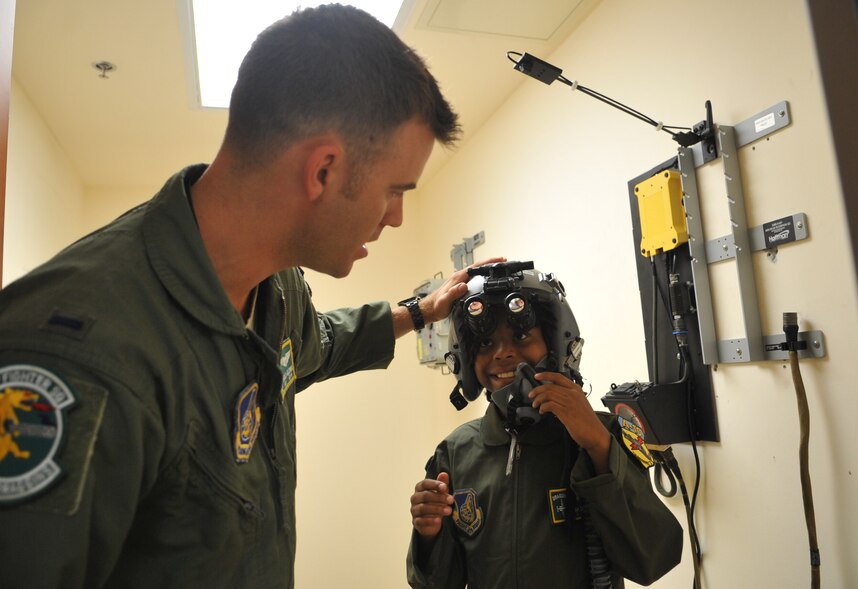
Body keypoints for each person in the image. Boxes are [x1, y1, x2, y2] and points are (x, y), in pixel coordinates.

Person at [0, 5, 483, 588]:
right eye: (394, 190)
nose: (398, 218)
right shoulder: (80, 357)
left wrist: (418, 311)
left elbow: (317, 345)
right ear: (323, 170)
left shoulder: (276, 287)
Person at [407, 261, 683, 588]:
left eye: (521, 334)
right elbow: (437, 583)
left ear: (555, 345)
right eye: (484, 343)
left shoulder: (603, 436)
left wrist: (597, 445)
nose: (502, 353)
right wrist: (429, 535)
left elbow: (654, 559)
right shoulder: (455, 452)